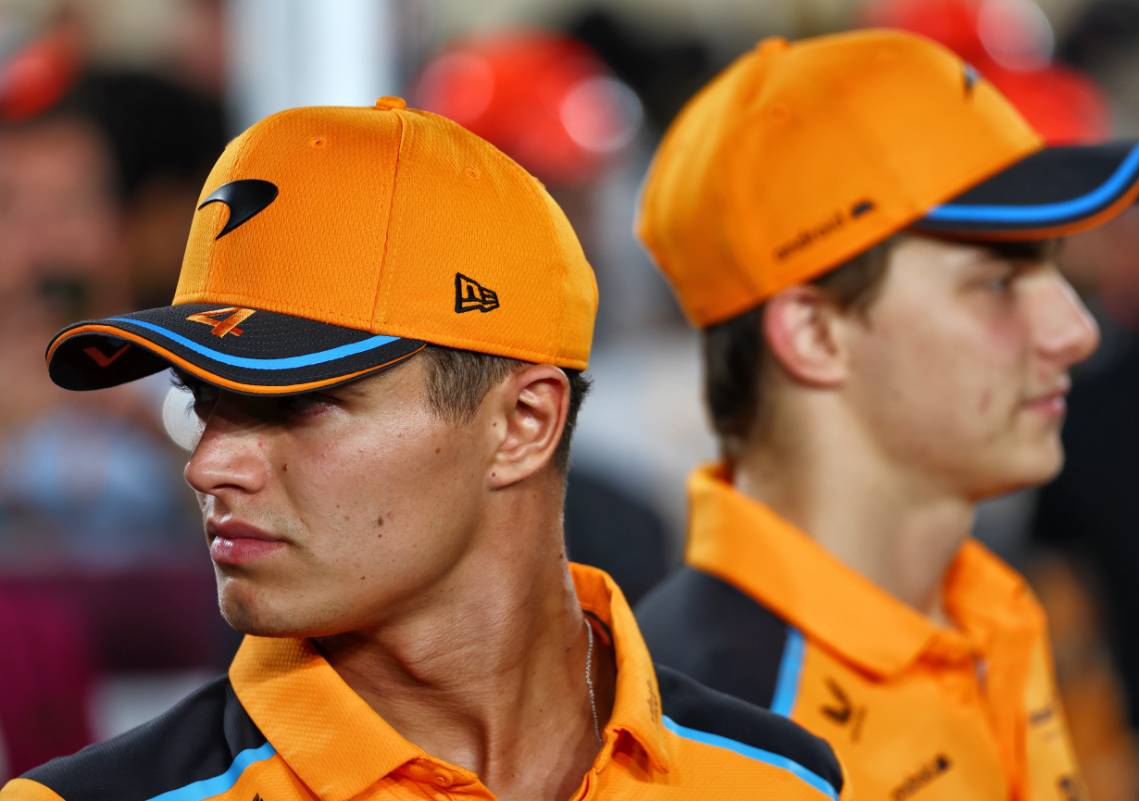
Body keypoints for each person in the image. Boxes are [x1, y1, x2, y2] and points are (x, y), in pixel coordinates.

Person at [1, 97, 847, 801]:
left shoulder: (779, 780)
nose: (210, 463)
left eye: (300, 403)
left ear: (523, 424)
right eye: (204, 404)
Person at [634, 29, 1139, 801]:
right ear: (815, 333)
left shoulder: (990, 612)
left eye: (1054, 266)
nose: (1075, 330)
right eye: (997, 280)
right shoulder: (709, 738)